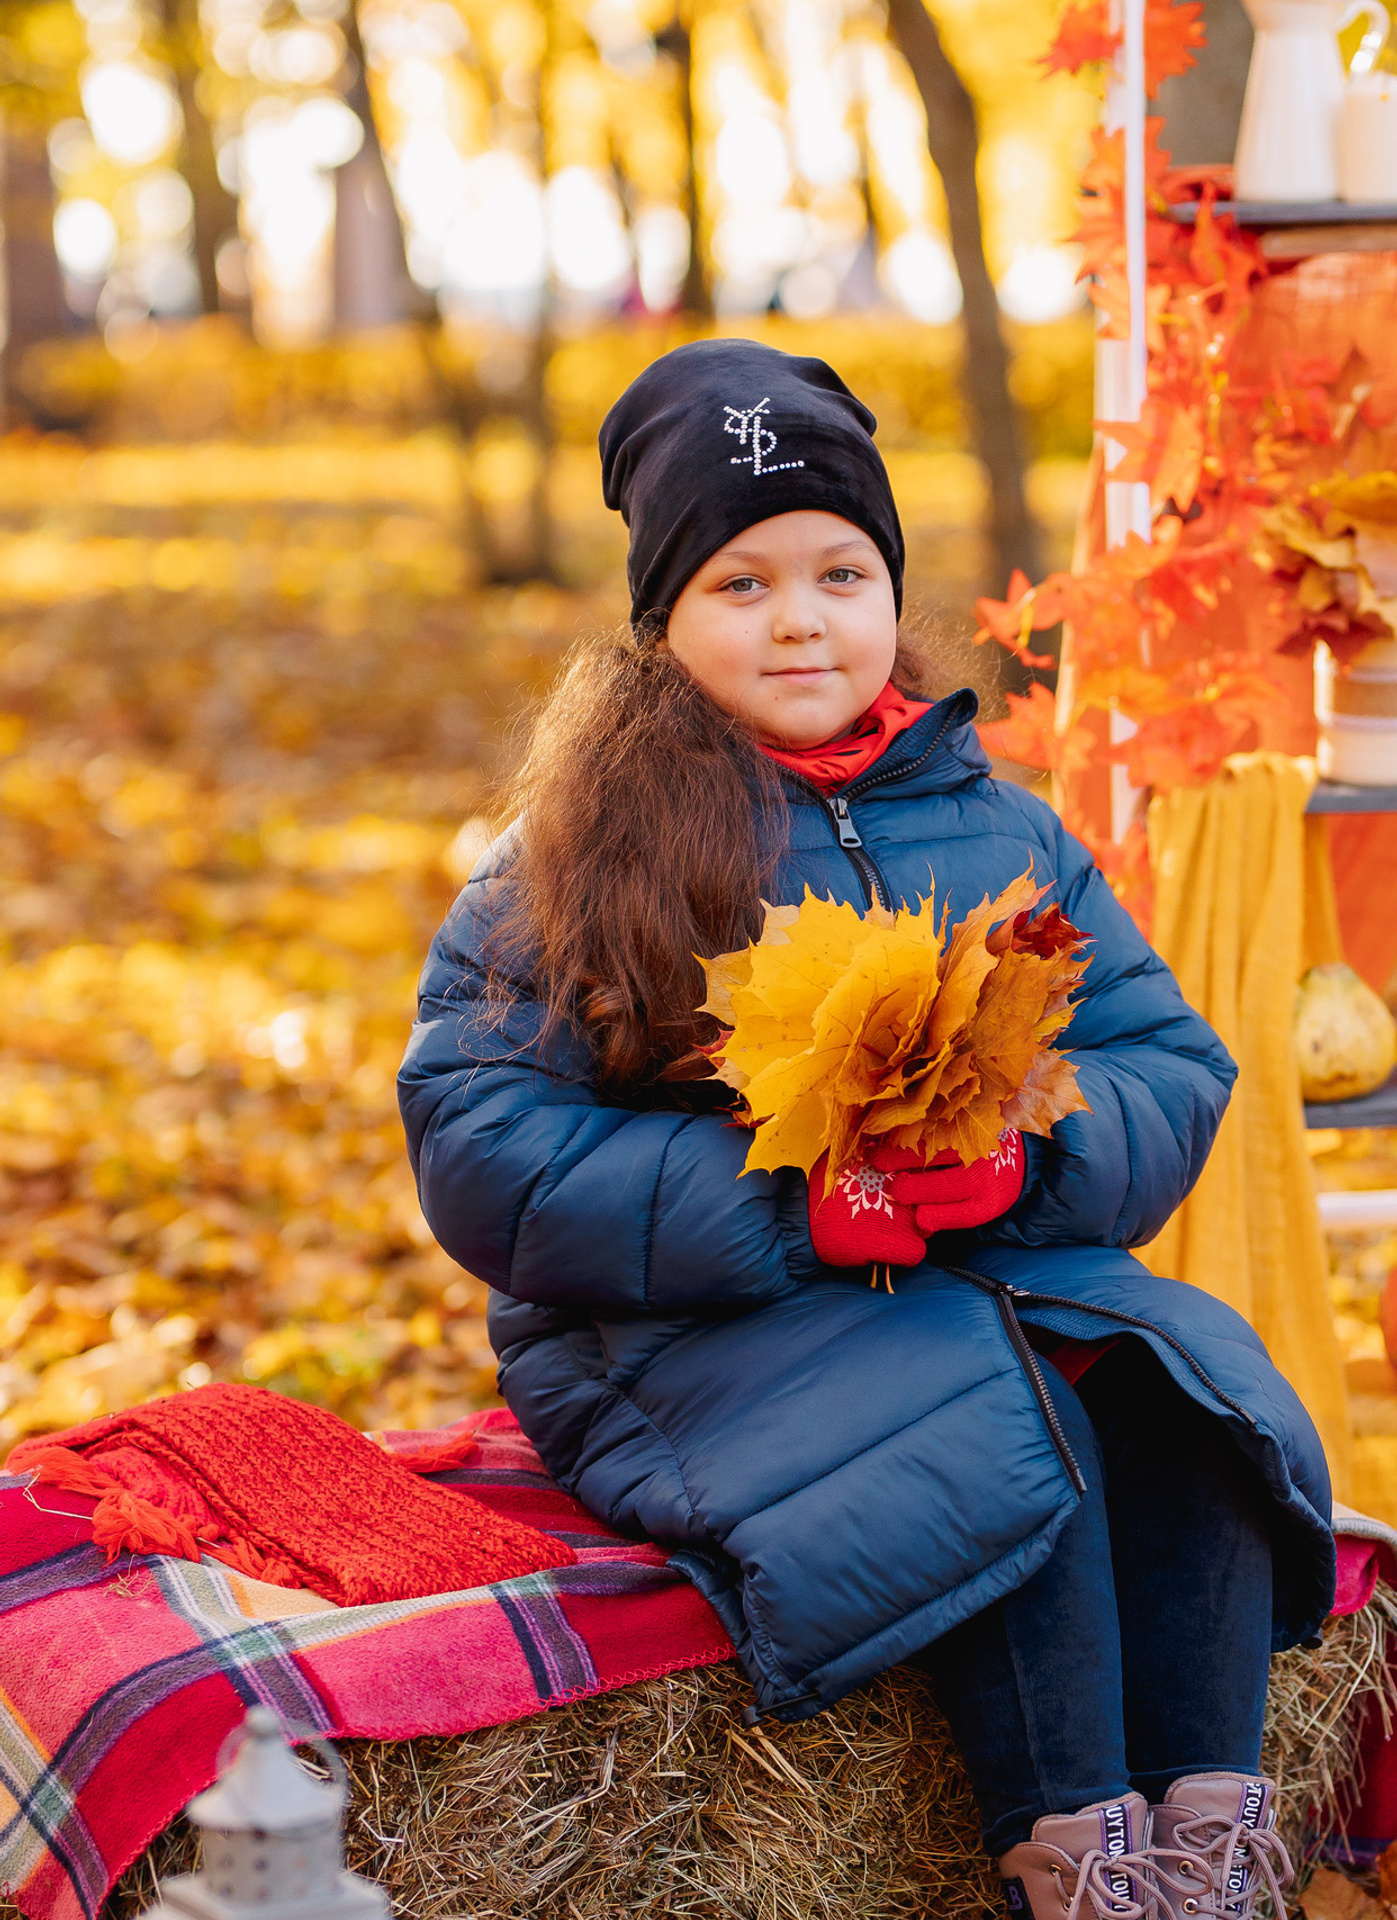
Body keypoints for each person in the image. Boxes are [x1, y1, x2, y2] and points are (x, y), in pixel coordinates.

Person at [398, 339, 1333, 1920]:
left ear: (892, 592)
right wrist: (787, 1209)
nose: (801, 617)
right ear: (665, 622)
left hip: (985, 1268)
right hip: (688, 1319)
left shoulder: (1001, 823)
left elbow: (1166, 1056)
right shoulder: (580, 853)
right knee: (990, 1421)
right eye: (742, 584)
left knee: (1194, 1386)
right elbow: (480, 1137)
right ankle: (1075, 1854)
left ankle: (1206, 1840)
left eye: (840, 570)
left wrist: (1033, 1158)